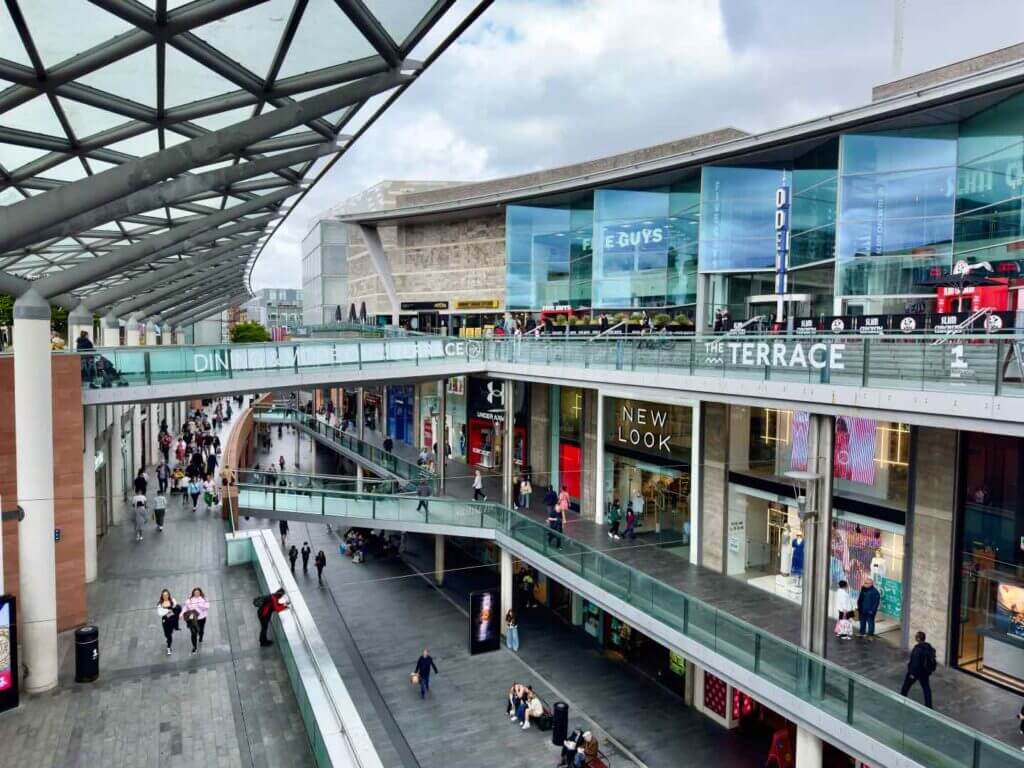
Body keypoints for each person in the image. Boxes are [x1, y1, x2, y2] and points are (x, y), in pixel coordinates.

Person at [900, 631, 936, 708]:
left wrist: (912, 674)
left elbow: (915, 664)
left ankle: (902, 698)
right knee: (926, 688)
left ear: (918, 639)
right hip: (925, 672)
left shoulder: (917, 649)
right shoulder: (928, 647)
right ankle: (929, 705)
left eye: (916, 636)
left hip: (916, 672)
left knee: (906, 685)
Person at [182, 587, 209, 654]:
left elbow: (207, 607)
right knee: (193, 633)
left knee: (201, 630)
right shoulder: (190, 600)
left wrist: (199, 604)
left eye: (198, 592)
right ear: (193, 593)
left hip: (202, 618)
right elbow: (185, 607)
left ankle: (200, 637)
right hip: (193, 619)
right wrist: (181, 613)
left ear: (200, 593)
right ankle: (194, 647)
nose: (196, 593)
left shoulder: (204, 599)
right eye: (195, 592)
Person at [157, 589, 180, 655]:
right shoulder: (160, 604)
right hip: (165, 621)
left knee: (170, 634)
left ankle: (168, 647)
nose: (165, 596)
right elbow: (160, 613)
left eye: (167, 594)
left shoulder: (172, 600)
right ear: (162, 596)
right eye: (164, 595)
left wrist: (172, 610)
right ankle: (168, 638)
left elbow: (176, 606)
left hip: (172, 619)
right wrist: (168, 611)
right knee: (166, 634)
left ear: (169, 595)